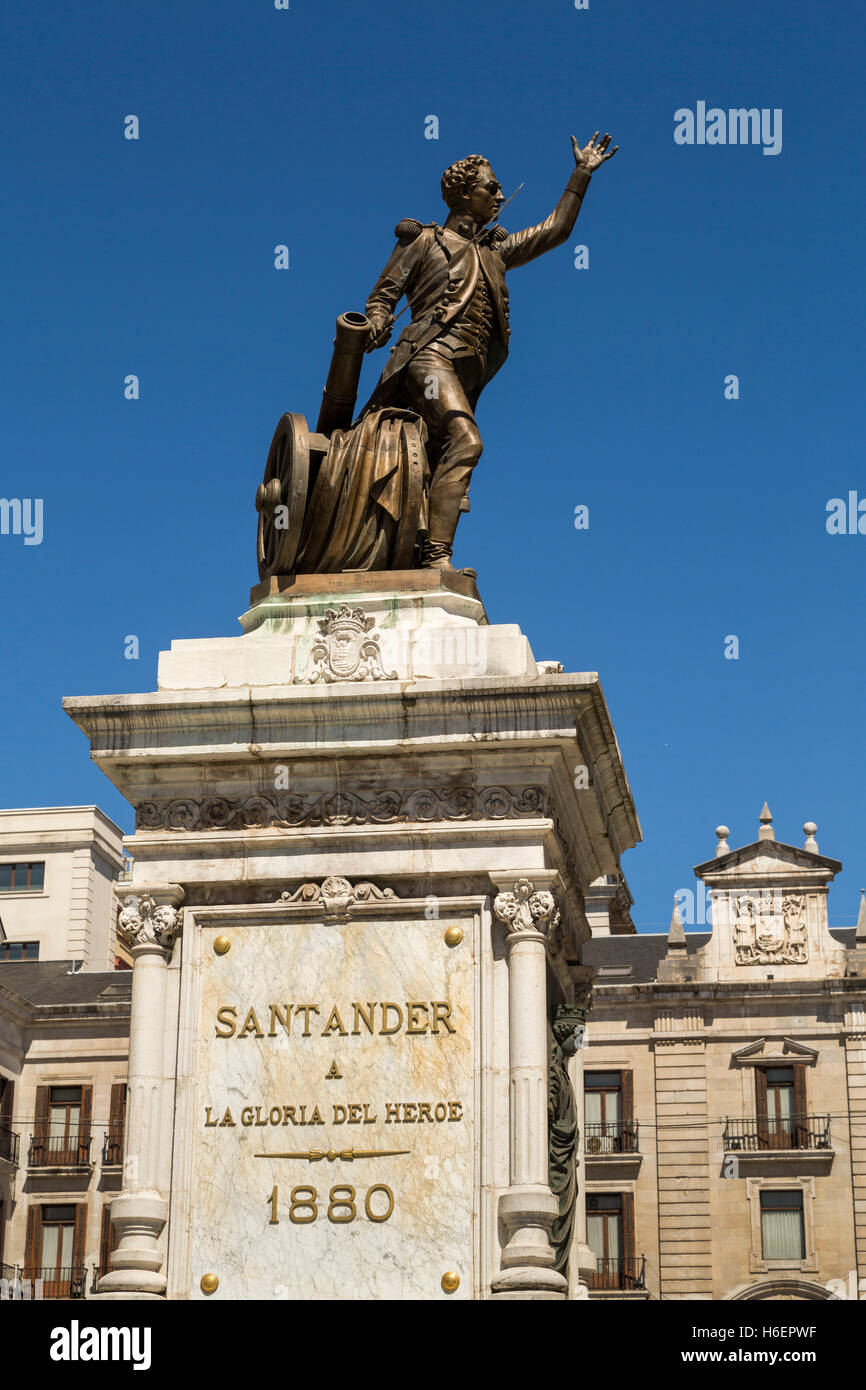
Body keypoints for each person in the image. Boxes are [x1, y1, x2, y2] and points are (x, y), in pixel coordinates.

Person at [362, 132, 618, 569]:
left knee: (435, 458)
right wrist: (378, 320)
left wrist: (581, 174)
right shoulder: (424, 241)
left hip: (466, 375)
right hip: (427, 357)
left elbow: (556, 230)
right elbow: (384, 296)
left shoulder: (496, 252)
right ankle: (436, 557)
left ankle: (409, 548)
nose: (500, 194)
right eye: (490, 187)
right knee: (467, 439)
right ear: (464, 193)